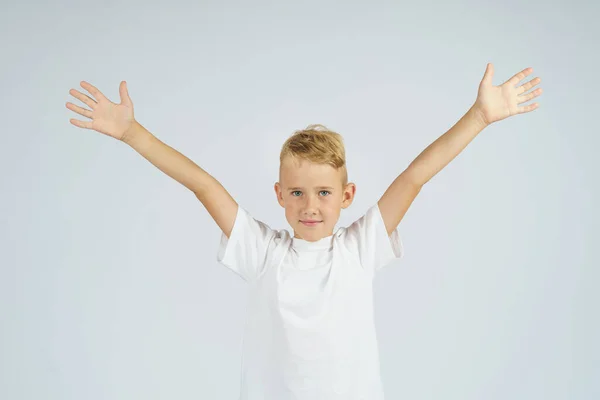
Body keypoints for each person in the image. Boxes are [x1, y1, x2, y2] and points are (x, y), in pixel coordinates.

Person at [66, 63, 542, 399]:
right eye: (297, 193)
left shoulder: (360, 248)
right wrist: (133, 133)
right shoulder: (262, 252)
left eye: (323, 193)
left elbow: (415, 177)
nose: (310, 206)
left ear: (347, 195)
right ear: (278, 194)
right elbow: (202, 185)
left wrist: (478, 117)